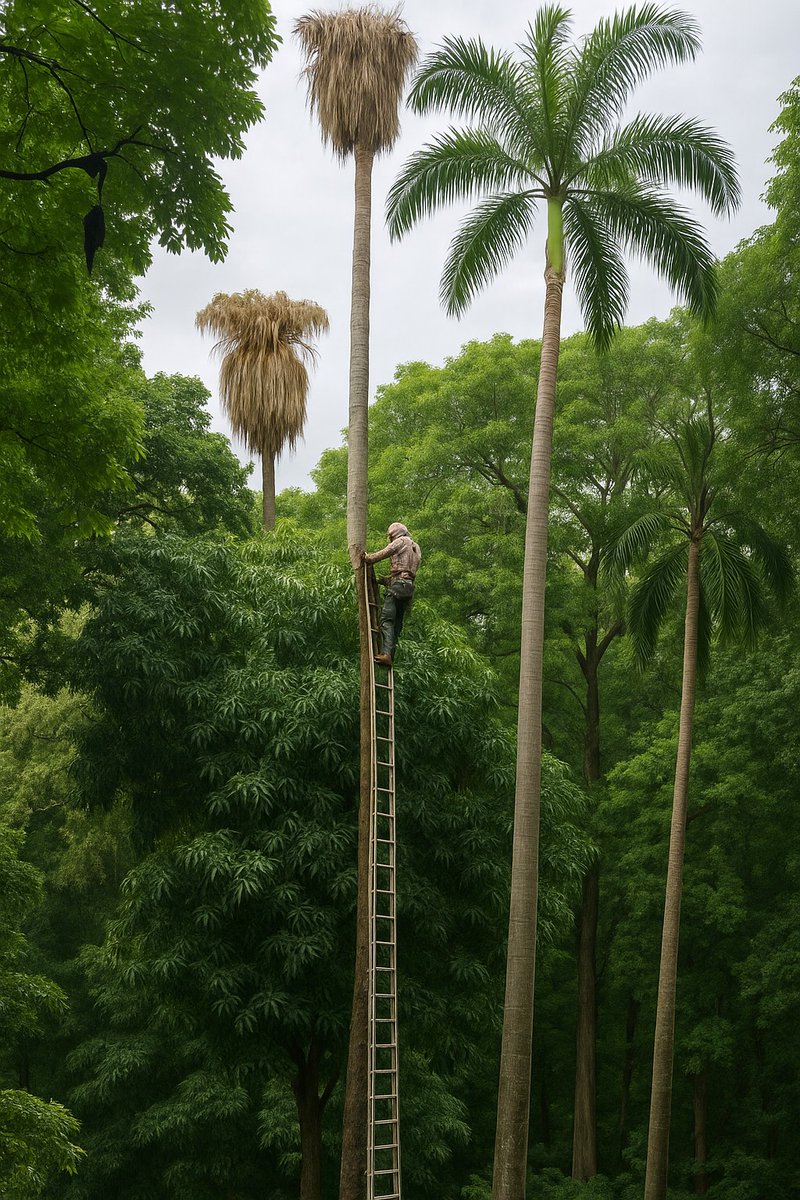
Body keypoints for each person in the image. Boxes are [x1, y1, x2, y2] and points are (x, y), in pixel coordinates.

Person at [361, 522, 422, 667]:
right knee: (397, 625)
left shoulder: (401, 541)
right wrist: (385, 581)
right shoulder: (416, 548)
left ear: (395, 533)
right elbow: (407, 573)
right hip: (407, 588)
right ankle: (390, 656)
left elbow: (385, 553)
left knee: (386, 621)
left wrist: (367, 558)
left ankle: (386, 654)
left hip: (398, 587)